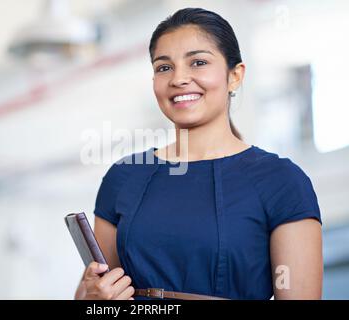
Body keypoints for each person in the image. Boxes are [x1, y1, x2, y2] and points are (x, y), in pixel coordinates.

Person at [74, 7, 322, 300]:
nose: (179, 78)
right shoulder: (123, 177)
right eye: (164, 67)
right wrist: (90, 299)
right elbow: (94, 295)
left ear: (235, 76)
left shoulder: (281, 181)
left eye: (198, 62)